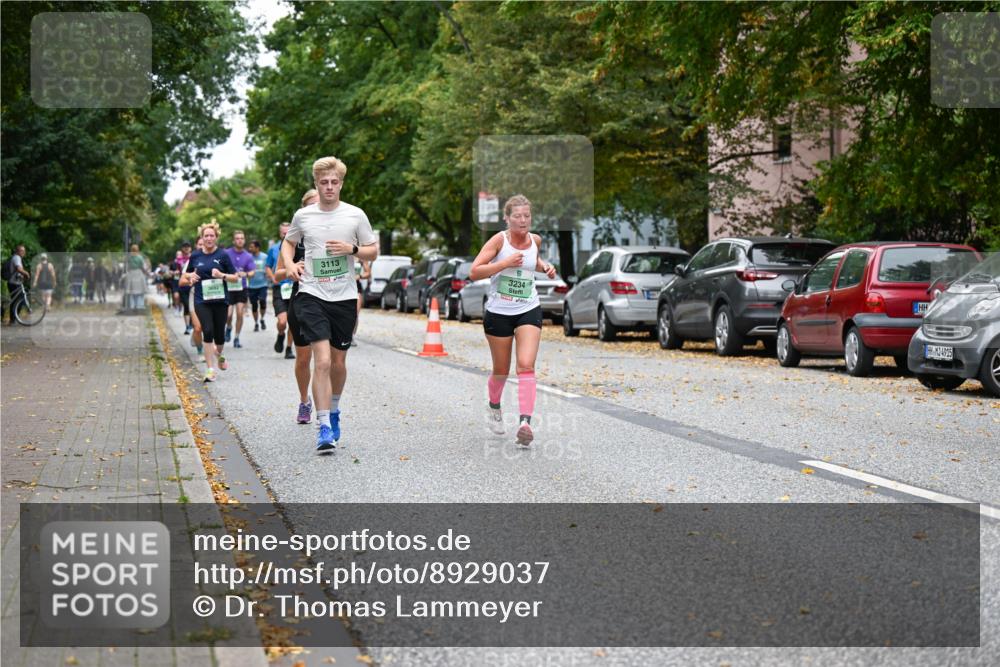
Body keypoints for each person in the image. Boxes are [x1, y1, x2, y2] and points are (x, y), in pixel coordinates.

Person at [282, 157, 378, 450]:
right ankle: (323, 426)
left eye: (334, 182)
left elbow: (372, 251)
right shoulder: (303, 216)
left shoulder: (355, 215)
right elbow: (289, 242)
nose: (329, 187)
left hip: (345, 296)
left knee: (338, 362)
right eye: (324, 182)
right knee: (321, 361)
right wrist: (289, 265)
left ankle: (334, 409)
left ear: (341, 184)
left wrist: (353, 249)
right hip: (311, 294)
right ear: (316, 184)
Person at [469, 194, 556, 446]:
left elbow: (533, 262)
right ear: (507, 218)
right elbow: (474, 271)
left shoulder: (535, 240)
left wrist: (546, 268)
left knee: (526, 365)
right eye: (517, 216)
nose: (523, 220)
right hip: (499, 312)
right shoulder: (499, 241)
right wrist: (504, 262)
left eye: (527, 216)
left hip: (528, 308)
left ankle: (525, 423)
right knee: (501, 371)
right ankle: (494, 407)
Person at [274, 188, 319, 423]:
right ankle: (304, 401)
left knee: (327, 359)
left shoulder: (335, 232)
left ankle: (327, 409)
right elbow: (277, 275)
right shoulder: (293, 238)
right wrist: (292, 269)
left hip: (329, 300)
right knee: (304, 359)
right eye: (310, 206)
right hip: (301, 299)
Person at [180, 221, 239, 382]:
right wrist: (190, 276)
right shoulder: (196, 255)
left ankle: (219, 355)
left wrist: (222, 276)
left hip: (220, 301)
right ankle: (210, 369)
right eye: (206, 235)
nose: (209, 238)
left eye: (212, 235)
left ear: (216, 237)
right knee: (207, 330)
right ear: (202, 237)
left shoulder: (223, 255)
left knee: (219, 336)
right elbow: (185, 275)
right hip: (202, 300)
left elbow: (235, 277)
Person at [266, 222, 295, 359]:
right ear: (280, 233)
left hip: (294, 287)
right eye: (284, 233)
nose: (286, 235)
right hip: (280, 288)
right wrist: (274, 278)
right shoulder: (274, 249)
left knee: (293, 321)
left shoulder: (297, 247)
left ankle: (289, 348)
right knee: (283, 321)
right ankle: (281, 334)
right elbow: (268, 267)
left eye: (288, 232)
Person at [224, 230, 255, 349]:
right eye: (237, 238)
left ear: (244, 240)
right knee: (228, 315)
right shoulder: (226, 253)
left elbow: (252, 272)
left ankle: (236, 337)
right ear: (233, 240)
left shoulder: (248, 256)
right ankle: (229, 327)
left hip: (241, 287)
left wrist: (246, 274)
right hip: (228, 287)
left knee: (240, 313)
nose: (240, 240)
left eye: (242, 238)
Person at [4, 244, 31, 324]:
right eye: (22, 250)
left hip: (15, 282)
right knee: (19, 301)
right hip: (14, 283)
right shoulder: (17, 258)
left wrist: (23, 277)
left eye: (24, 251)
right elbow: (18, 269)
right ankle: (13, 319)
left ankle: (13, 320)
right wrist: (26, 273)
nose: (23, 252)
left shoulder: (16, 258)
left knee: (15, 301)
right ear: (17, 251)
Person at [247, 239, 269, 331]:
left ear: (257, 248)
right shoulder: (248, 257)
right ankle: (256, 323)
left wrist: (268, 273)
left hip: (263, 284)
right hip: (252, 286)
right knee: (254, 306)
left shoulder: (264, 257)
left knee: (263, 302)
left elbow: (269, 267)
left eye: (252, 247)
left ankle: (262, 319)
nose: (250, 248)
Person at [125, 244, 149, 311]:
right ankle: (139, 305)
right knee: (140, 291)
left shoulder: (128, 257)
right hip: (139, 273)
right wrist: (146, 272)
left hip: (131, 274)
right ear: (138, 250)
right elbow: (144, 267)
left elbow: (127, 267)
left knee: (131, 291)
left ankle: (132, 306)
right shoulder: (140, 257)